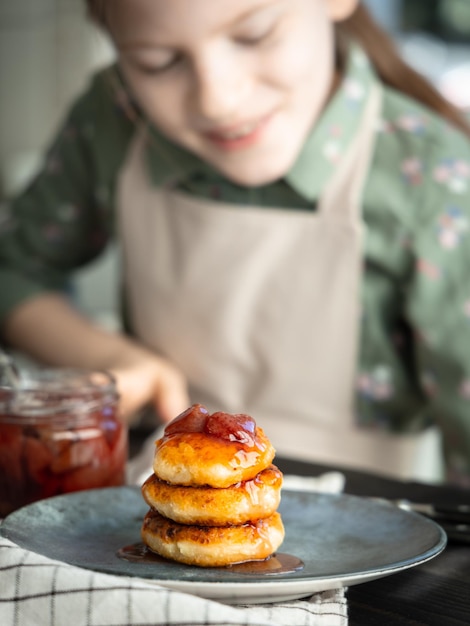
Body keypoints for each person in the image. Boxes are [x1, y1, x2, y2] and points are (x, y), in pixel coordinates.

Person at [1, 0, 470, 484]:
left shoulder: (438, 184)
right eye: (158, 62)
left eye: (255, 35)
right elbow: (13, 271)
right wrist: (111, 360)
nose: (216, 101)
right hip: (147, 511)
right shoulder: (115, 117)